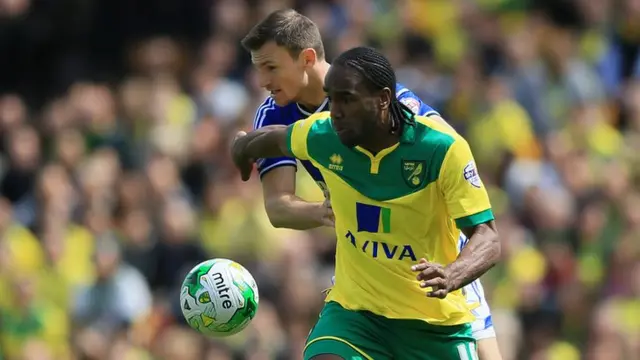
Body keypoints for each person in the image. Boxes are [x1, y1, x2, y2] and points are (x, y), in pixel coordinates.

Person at [240, 9, 503, 360]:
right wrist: (325, 211)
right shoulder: (281, 116)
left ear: (306, 58)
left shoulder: (397, 109)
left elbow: (451, 166)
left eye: (270, 67)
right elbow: (277, 205)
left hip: (435, 256)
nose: (261, 80)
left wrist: (454, 270)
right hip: (365, 275)